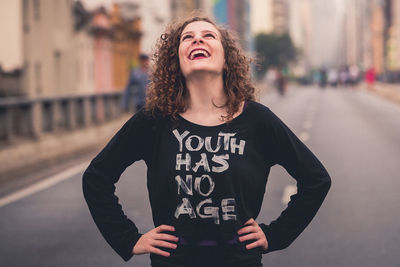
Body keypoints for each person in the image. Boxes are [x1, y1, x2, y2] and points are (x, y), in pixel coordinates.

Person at [82, 15, 331, 267]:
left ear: (227, 60)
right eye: (187, 37)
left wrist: (276, 235)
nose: (197, 38)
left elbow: (316, 179)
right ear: (176, 61)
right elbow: (97, 178)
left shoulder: (257, 120)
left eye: (208, 35)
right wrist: (128, 239)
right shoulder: (154, 121)